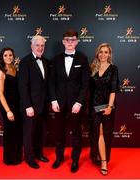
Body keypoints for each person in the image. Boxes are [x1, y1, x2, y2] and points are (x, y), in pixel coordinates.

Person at [49, 29, 90, 173]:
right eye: (67, 39)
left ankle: (75, 160)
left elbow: (85, 84)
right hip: (59, 104)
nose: (70, 42)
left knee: (77, 134)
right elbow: (51, 83)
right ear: (63, 42)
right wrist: (53, 100)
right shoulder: (56, 59)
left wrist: (79, 102)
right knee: (59, 133)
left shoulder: (83, 59)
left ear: (77, 41)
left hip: (76, 105)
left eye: (73, 39)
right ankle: (59, 158)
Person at [18, 35, 49, 169]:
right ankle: (30, 158)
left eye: (42, 46)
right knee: (29, 133)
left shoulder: (46, 61)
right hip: (30, 106)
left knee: (40, 132)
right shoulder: (25, 61)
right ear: (32, 46)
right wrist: (28, 105)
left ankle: (39, 153)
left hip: (43, 105)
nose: (40, 48)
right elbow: (22, 86)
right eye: (37, 45)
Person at [89, 43, 119, 175]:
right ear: (97, 53)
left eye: (106, 52)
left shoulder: (113, 69)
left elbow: (113, 90)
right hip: (94, 106)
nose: (103, 54)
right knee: (96, 133)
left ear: (109, 54)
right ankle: (97, 157)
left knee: (104, 133)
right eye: (101, 52)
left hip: (107, 106)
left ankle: (104, 161)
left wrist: (110, 106)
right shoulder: (92, 68)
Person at [0, 47, 23, 165]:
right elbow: (0, 93)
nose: (8, 57)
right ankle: (9, 159)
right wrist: (8, 111)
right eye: (5, 55)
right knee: (9, 133)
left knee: (17, 132)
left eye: (10, 55)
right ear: (2, 57)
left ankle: (17, 156)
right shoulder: (0, 72)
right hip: (8, 107)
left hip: (17, 105)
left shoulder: (15, 69)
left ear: (13, 56)